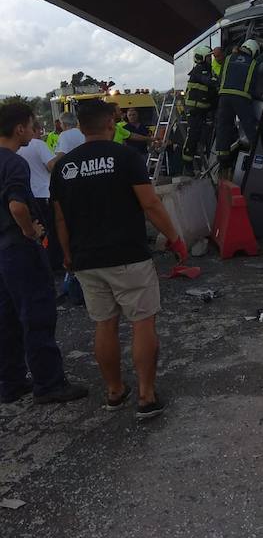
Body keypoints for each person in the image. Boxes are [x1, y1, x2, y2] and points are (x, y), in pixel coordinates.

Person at [51, 100, 188, 420]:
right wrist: (175, 239)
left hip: (86, 259)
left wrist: (68, 255)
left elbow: (59, 219)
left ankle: (114, 391)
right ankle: (146, 396)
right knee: (142, 323)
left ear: (81, 128)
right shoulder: (125, 157)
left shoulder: (64, 167)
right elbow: (151, 204)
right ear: (111, 123)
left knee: (104, 324)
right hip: (128, 256)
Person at [0, 101, 88, 405]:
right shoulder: (14, 163)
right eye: (31, 122)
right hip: (18, 249)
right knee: (36, 313)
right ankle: (48, 384)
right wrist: (30, 231)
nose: (35, 127)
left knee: (7, 317)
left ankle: (10, 383)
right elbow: (17, 205)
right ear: (19, 128)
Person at [17, 120, 62, 270]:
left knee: (34, 232)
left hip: (26, 196)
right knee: (50, 230)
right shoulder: (38, 145)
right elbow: (51, 166)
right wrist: (61, 157)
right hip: (44, 193)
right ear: (35, 130)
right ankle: (53, 263)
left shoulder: (15, 148)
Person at [215, 40, 260, 176]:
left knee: (223, 127)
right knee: (249, 125)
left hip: (224, 97)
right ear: (254, 51)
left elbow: (221, 76)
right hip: (241, 98)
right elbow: (255, 84)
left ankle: (223, 161)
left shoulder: (228, 58)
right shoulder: (253, 63)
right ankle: (256, 153)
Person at [182, 46, 218, 175]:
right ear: (201, 58)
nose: (210, 58)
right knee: (193, 136)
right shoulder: (199, 70)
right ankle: (187, 166)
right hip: (195, 110)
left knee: (203, 136)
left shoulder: (208, 69)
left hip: (202, 110)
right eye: (208, 56)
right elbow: (209, 82)